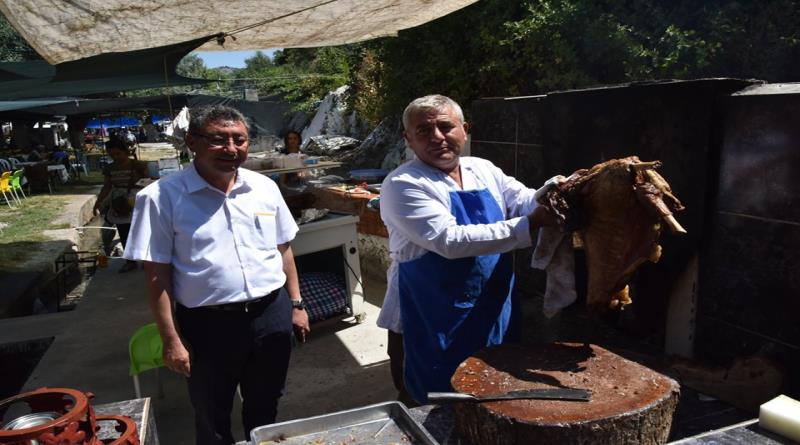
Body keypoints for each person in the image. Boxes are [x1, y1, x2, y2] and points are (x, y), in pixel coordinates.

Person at [123, 105, 311, 444]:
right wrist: (171, 339)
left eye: (239, 140)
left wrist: (295, 304)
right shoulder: (160, 197)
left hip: (271, 314)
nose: (231, 149)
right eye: (218, 140)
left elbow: (282, 249)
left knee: (266, 402)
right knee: (211, 412)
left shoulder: (264, 188)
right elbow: (157, 276)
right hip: (208, 325)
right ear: (193, 142)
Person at [377, 94, 560, 404]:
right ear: (407, 138)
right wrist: (529, 224)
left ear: (465, 129)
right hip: (430, 317)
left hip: (490, 307)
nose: (437, 137)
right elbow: (450, 240)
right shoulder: (403, 183)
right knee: (435, 404)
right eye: (423, 130)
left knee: (494, 392)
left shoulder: (483, 169)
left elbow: (525, 200)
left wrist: (555, 190)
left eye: (446, 127)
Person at [92, 138, 149, 273]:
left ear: (125, 151)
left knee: (143, 231)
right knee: (124, 232)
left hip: (138, 201)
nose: (115, 157)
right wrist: (98, 202)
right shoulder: (109, 168)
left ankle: (147, 260)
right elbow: (107, 186)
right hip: (119, 203)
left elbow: (149, 182)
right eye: (112, 155)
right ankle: (130, 261)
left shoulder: (139, 165)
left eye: (118, 154)